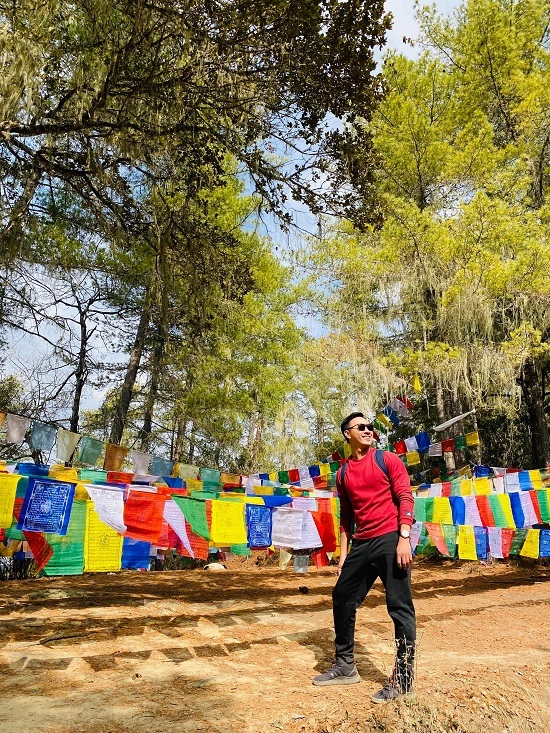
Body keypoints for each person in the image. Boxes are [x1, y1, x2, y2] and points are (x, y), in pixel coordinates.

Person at [312, 412, 416, 703]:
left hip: (391, 539)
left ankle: (404, 680)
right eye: (361, 427)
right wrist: (344, 555)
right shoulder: (342, 473)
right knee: (342, 594)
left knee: (399, 607)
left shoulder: (387, 460)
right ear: (348, 434)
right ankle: (345, 665)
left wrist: (404, 537)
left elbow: (406, 497)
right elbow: (347, 516)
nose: (368, 430)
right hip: (362, 543)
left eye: (370, 427)